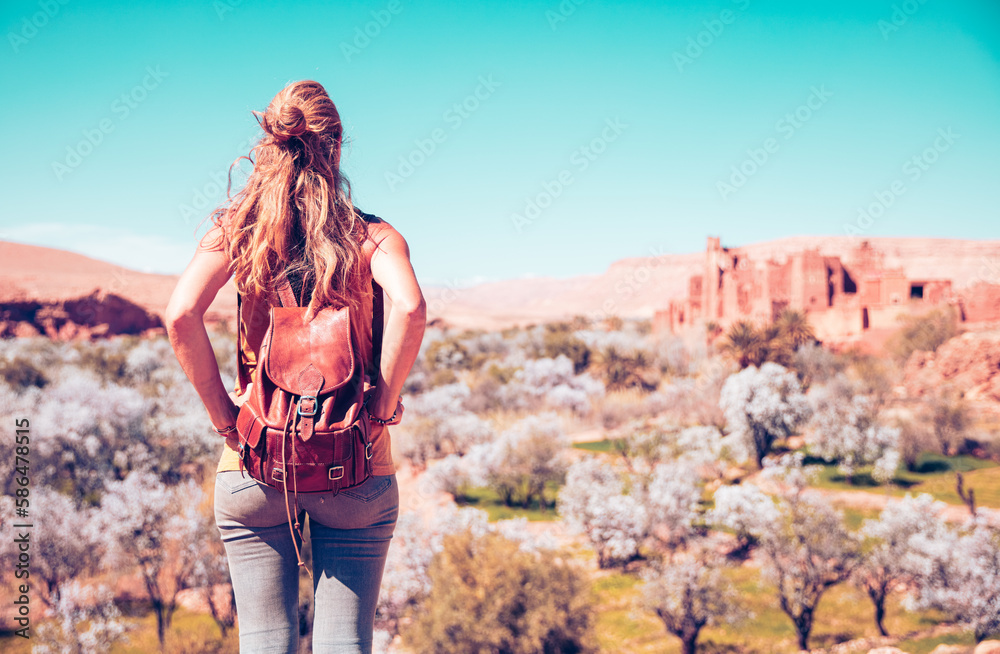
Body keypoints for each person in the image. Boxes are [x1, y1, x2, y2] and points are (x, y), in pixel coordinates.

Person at [165, 80, 426, 653]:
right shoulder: (374, 236)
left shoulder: (238, 231)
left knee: (264, 643)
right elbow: (410, 306)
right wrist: (380, 407)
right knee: (343, 644)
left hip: (255, 459)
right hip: (355, 462)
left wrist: (225, 422)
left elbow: (180, 313)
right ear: (335, 148)